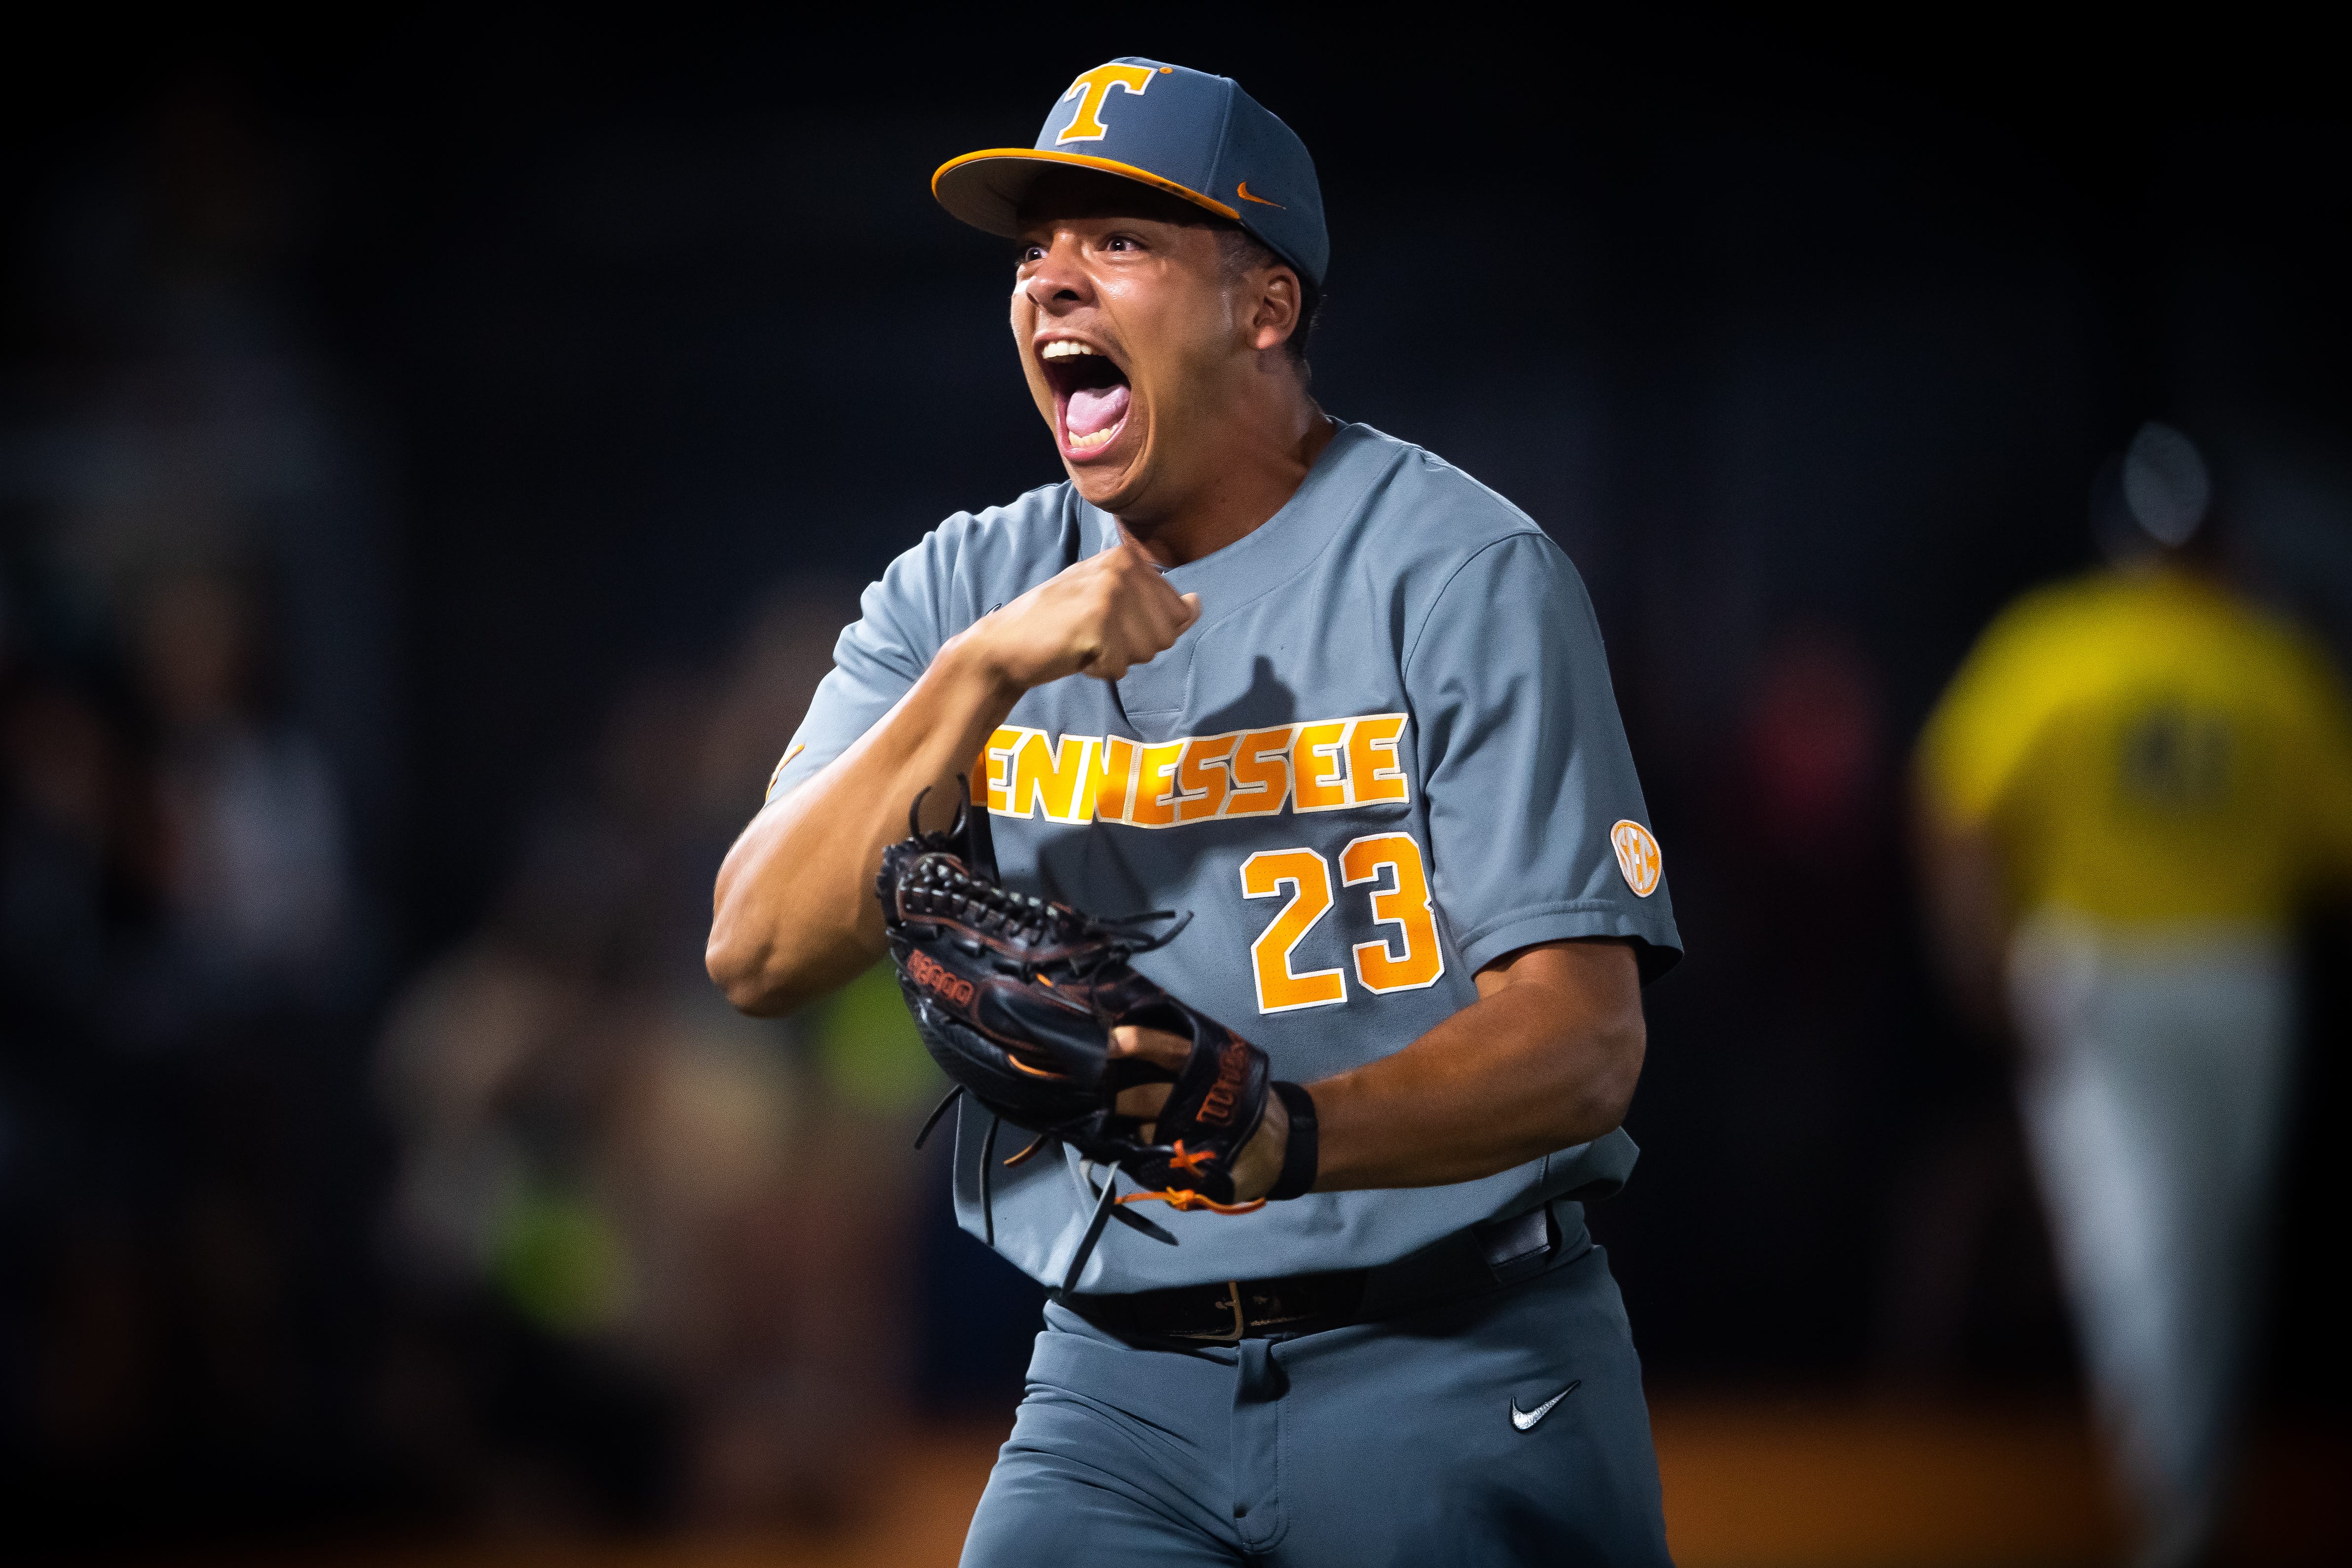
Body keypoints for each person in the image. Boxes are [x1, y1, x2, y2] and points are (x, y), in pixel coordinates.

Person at [708, 59, 1681, 1565]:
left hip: (1458, 1353)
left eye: (1119, 241)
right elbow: (755, 950)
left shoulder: (1462, 571)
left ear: (1266, 307)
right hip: (1113, 1389)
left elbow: (1587, 1042)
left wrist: (1292, 1131)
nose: (1050, 282)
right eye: (1035, 250)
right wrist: (975, 677)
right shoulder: (963, 593)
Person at [1915, 422, 2352, 1568]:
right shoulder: (2272, 659)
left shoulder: (2058, 643)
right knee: (2215, 1235)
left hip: (2099, 970)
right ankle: (2188, 1489)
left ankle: (2178, 1493)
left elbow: (1954, 802)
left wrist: (1976, 950)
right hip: (2241, 977)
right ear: (2218, 536)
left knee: (2138, 1238)